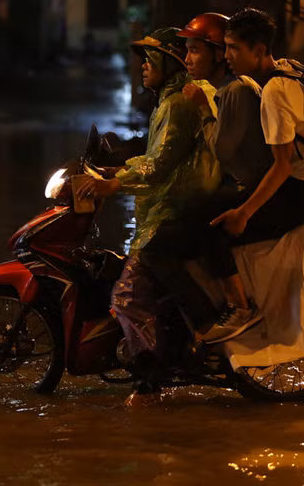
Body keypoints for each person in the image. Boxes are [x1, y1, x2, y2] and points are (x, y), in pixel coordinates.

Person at [74, 27, 220, 393]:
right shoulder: (167, 102)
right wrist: (117, 170)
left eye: (149, 60)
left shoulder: (177, 104)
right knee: (151, 296)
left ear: (168, 65)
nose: (142, 67)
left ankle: (150, 379)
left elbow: (159, 166)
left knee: (126, 298)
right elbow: (153, 155)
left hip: (172, 211)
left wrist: (114, 184)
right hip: (165, 208)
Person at [138, 12, 273, 344]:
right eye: (186, 51)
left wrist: (201, 108)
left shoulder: (232, 91)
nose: (188, 59)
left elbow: (222, 151)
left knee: (159, 247)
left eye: (195, 50)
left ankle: (217, 317)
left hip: (245, 189)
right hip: (239, 186)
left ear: (217, 54)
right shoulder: (221, 91)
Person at [209, 8, 304, 285]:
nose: (226, 55)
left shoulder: (274, 92)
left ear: (259, 50)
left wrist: (243, 214)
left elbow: (283, 166)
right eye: (225, 47)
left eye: (234, 48)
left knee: (212, 227)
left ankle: (238, 305)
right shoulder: (290, 67)